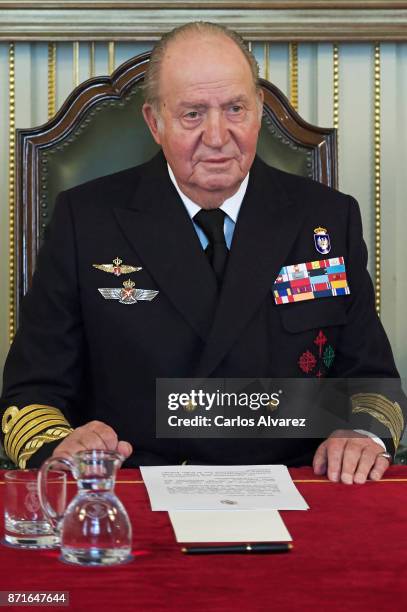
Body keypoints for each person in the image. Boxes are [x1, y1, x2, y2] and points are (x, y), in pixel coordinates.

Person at [1, 22, 404, 484]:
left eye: (235, 108)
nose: (217, 136)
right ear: (155, 123)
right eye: (193, 114)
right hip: (135, 488)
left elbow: (371, 380)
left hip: (295, 482)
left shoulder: (328, 219)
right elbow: (32, 392)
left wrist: (362, 436)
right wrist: (62, 446)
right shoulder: (86, 221)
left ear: (258, 112)